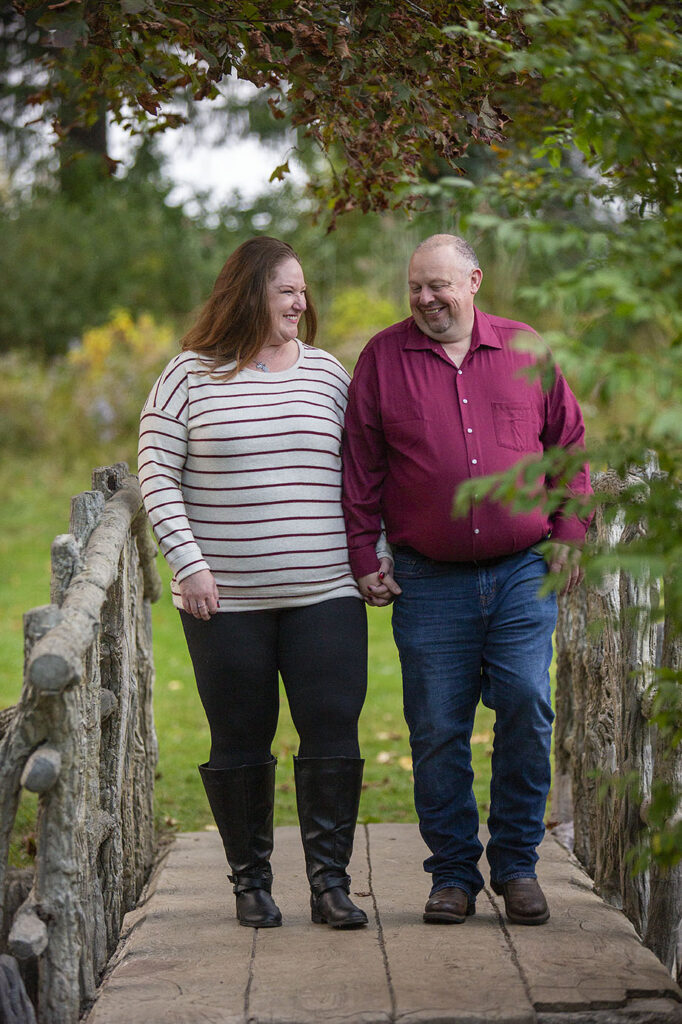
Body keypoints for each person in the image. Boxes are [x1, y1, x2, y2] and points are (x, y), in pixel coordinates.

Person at [138, 236, 390, 930]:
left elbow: (364, 473)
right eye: (287, 290)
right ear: (250, 293)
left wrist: (379, 551)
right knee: (240, 738)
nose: (301, 302)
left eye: (303, 291)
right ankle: (250, 884)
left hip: (326, 594)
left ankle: (330, 886)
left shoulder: (328, 374)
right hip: (228, 602)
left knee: (332, 732)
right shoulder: (187, 376)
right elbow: (156, 474)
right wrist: (187, 562)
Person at [342, 233, 592, 927]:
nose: (426, 299)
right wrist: (365, 553)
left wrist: (570, 533)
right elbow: (361, 466)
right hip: (428, 581)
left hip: (519, 570)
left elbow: (566, 445)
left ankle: (516, 866)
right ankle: (453, 872)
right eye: (416, 287)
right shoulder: (383, 360)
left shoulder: (524, 348)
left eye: (439, 285)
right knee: (436, 728)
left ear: (474, 281)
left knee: (524, 703)